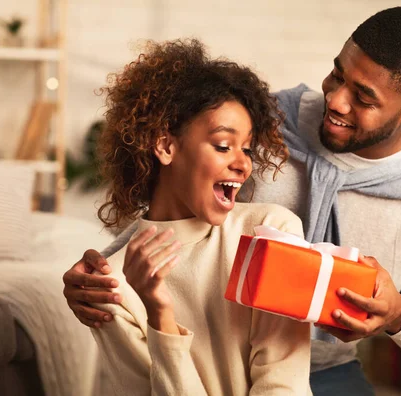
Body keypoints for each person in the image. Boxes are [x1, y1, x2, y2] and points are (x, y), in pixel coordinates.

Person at [63, 7, 401, 396]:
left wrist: (398, 316)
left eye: (363, 97)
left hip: (328, 368)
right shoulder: (266, 121)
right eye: (337, 75)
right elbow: (176, 206)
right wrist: (97, 275)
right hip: (211, 355)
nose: (336, 100)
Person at [80, 39, 312, 395]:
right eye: (223, 145)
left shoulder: (273, 232)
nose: (243, 163)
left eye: (247, 148)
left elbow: (285, 385)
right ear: (166, 147)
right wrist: (159, 312)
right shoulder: (109, 288)